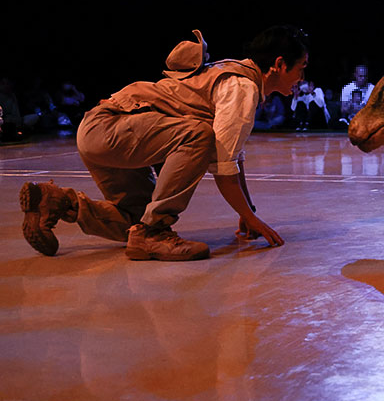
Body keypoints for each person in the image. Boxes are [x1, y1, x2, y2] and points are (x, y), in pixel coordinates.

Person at [19, 26, 309, 261]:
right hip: (109, 129)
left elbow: (234, 158)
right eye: (301, 68)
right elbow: (223, 167)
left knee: (135, 219)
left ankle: (55, 202)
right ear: (279, 64)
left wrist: (247, 212)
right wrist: (249, 217)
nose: (302, 78)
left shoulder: (237, 76)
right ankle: (154, 233)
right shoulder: (242, 86)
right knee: (200, 134)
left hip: (104, 130)